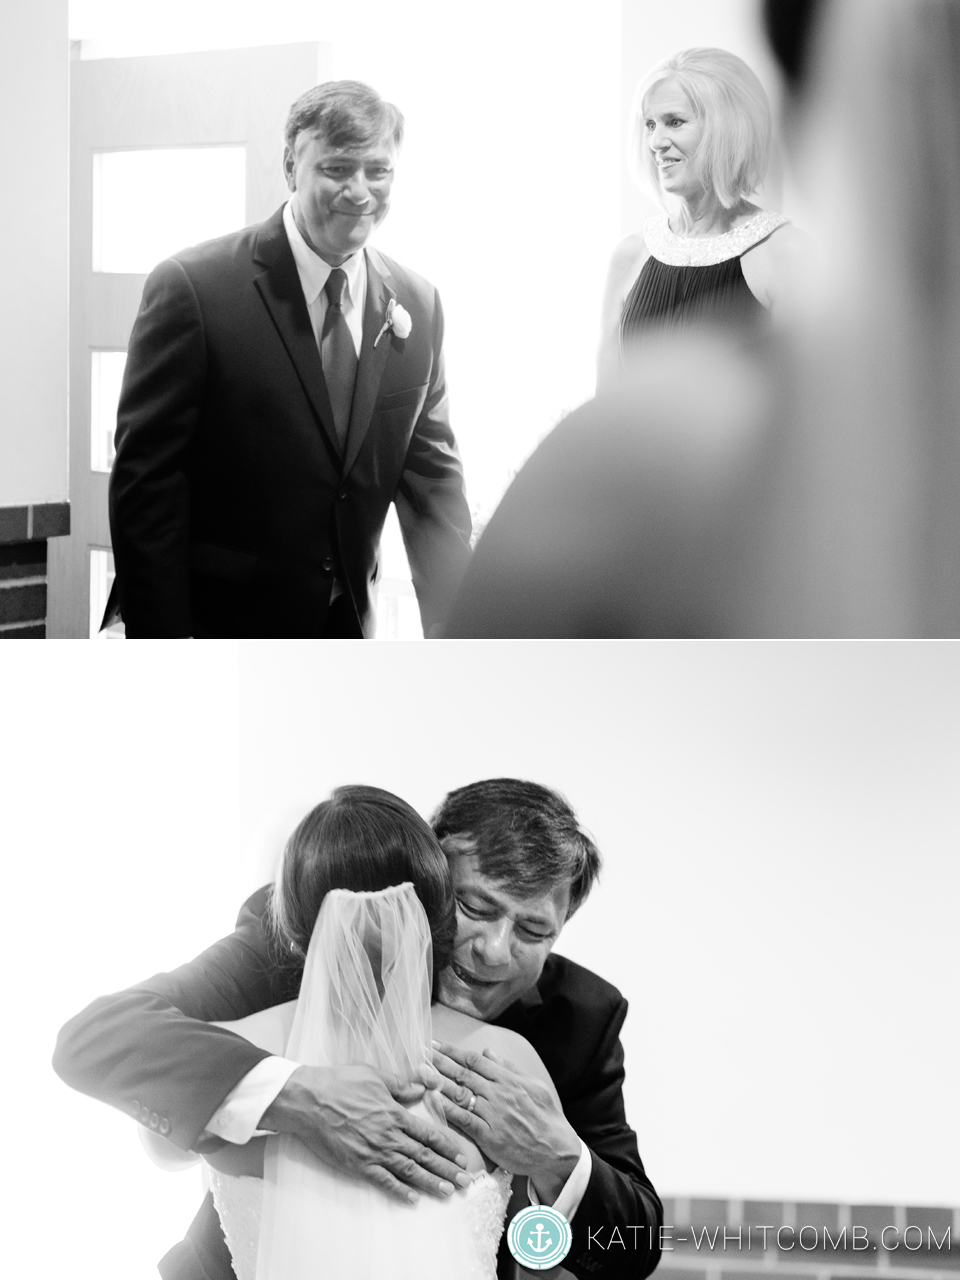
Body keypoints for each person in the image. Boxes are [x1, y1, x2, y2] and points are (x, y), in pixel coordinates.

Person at [53, 779, 662, 1280]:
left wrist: (557, 1159)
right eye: (474, 908)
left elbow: (632, 1245)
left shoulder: (579, 1020)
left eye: (533, 931)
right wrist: (296, 1096)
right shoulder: (297, 935)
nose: (495, 951)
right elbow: (104, 1036)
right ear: (427, 878)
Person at [105, 80, 471, 638]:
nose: (360, 191)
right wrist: (165, 651)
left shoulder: (419, 303)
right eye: (337, 169)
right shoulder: (195, 289)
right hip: (220, 629)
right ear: (289, 165)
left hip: (346, 632)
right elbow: (147, 486)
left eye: (379, 170)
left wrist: (462, 633)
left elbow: (434, 485)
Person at [154, 787, 559, 1279]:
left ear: (290, 923)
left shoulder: (223, 1055)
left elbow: (161, 1145)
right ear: (435, 918)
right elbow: (542, 1257)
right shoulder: (503, 1058)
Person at [597, 47, 809, 387]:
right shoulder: (631, 255)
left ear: (727, 129)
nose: (655, 141)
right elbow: (606, 412)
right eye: (650, 124)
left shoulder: (787, 255)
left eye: (674, 122)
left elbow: (806, 406)